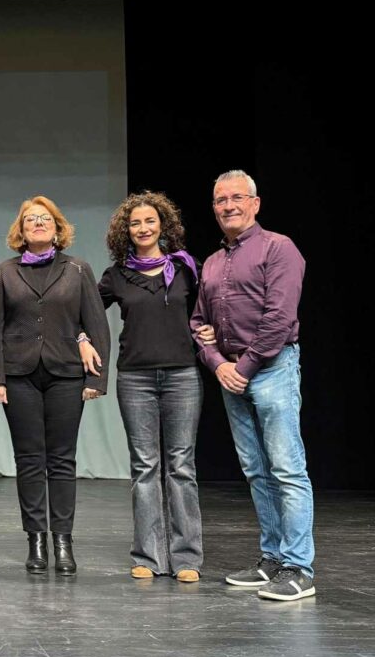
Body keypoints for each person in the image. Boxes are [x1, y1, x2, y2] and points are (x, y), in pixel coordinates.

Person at [190, 169, 315, 601]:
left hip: (272, 367)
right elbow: (198, 323)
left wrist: (241, 367)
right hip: (231, 373)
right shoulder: (211, 262)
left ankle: (299, 567)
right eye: (220, 200)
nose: (228, 206)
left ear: (255, 203)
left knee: (286, 468)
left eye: (237, 198)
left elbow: (279, 319)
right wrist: (217, 362)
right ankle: (273, 559)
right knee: (257, 470)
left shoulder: (280, 249)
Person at [0, 196, 109, 575]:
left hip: (67, 374)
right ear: (20, 230)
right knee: (29, 460)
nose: (38, 223)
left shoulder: (78, 269)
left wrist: (96, 379)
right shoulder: (4, 271)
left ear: (57, 227)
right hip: (18, 376)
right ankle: (36, 541)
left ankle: (63, 542)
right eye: (30, 219)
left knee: (62, 460)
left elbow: (96, 324)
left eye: (45, 218)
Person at [98, 191, 203, 582]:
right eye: (135, 223)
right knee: (145, 467)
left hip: (182, 376)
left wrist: (209, 329)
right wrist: (83, 341)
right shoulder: (117, 275)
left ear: (163, 225)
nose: (143, 228)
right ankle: (148, 556)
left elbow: (207, 310)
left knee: (181, 466)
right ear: (125, 231)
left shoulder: (187, 268)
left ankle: (187, 558)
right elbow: (84, 313)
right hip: (136, 378)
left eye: (149, 221)